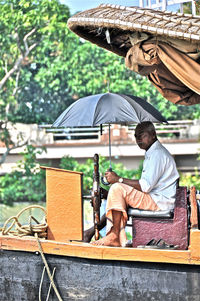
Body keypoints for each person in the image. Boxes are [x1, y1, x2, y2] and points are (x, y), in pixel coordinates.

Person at [91, 121, 179, 247]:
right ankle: (110, 235)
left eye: (142, 135)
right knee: (117, 191)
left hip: (159, 201)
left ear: (153, 135)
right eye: (136, 136)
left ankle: (114, 235)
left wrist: (118, 179)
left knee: (117, 188)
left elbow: (145, 186)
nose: (138, 140)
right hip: (156, 198)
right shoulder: (152, 152)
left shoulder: (157, 154)